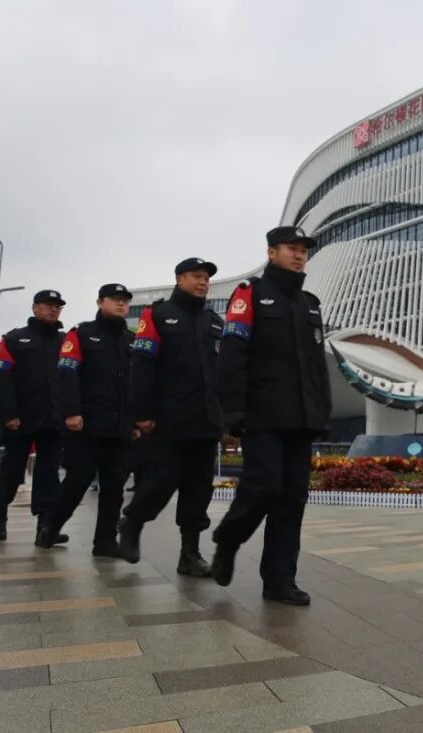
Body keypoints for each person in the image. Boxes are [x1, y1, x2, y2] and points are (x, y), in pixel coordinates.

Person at [210, 226, 331, 605]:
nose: (299, 255)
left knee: (292, 500)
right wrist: (233, 410)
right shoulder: (250, 294)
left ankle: (279, 581)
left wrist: (322, 413)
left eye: (303, 250)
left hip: (302, 419)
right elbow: (232, 355)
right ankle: (228, 539)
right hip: (262, 415)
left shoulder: (309, 303)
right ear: (271, 252)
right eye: (291, 248)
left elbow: (317, 366)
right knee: (263, 487)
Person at [117, 258, 223, 576]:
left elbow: (223, 372)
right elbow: (142, 366)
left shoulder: (213, 321)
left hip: (206, 420)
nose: (202, 282)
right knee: (160, 482)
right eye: (195, 276)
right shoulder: (158, 315)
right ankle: (133, 521)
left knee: (198, 489)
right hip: (169, 419)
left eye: (206, 278)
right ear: (179, 279)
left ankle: (189, 554)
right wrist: (143, 413)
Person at [37, 284, 134, 557]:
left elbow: (136, 383)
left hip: (118, 427)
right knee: (77, 482)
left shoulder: (131, 339)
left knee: (114, 487)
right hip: (86, 425)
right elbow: (66, 375)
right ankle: (50, 528)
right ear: (100, 302)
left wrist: (135, 421)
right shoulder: (81, 334)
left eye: (125, 300)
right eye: (115, 299)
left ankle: (105, 541)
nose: (121, 304)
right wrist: (71, 412)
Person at [0, 290, 68, 543]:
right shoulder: (13, 339)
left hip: (53, 419)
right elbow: (1, 378)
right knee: (12, 472)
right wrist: (8, 414)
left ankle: (45, 527)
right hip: (20, 420)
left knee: (48, 474)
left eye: (57, 306)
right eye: (47, 305)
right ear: (35, 308)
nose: (53, 309)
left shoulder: (66, 341)